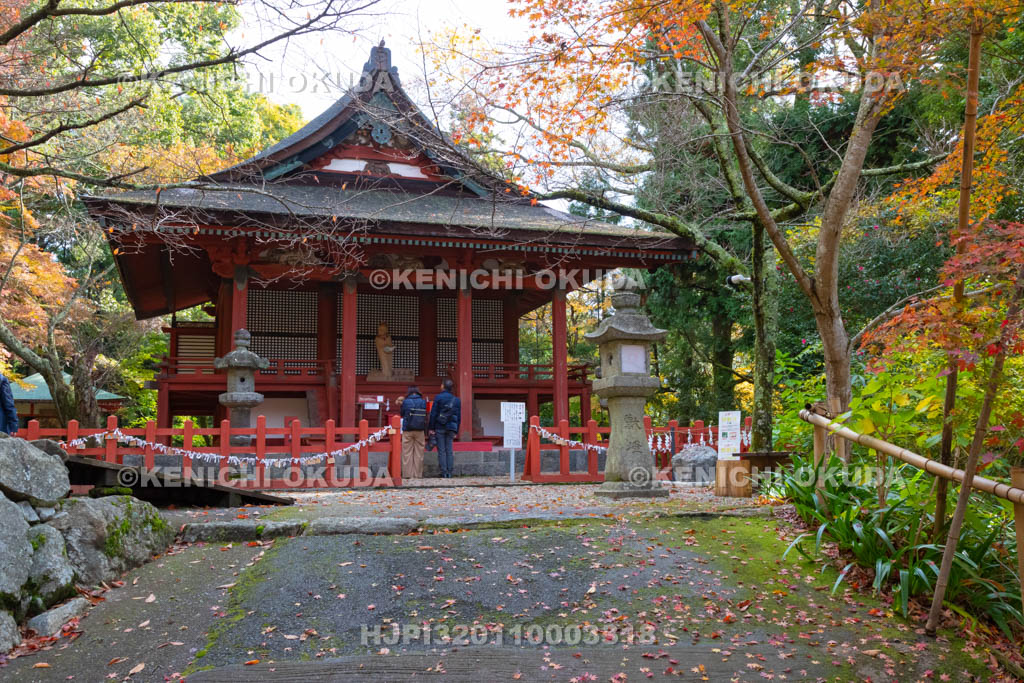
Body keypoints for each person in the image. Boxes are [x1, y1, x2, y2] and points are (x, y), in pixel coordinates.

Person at [428, 378, 461, 478]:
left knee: (441, 450)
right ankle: (450, 472)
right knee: (449, 450)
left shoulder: (438, 398)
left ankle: (444, 472)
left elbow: (433, 413)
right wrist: (456, 430)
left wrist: (431, 427)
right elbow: (459, 417)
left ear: (443, 386)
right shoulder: (456, 400)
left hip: (440, 426)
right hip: (451, 428)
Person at [399, 386, 428, 478]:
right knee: (419, 453)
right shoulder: (423, 401)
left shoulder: (406, 402)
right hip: (420, 429)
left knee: (407, 452)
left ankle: (407, 474)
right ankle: (417, 475)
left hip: (408, 429)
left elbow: (402, 414)